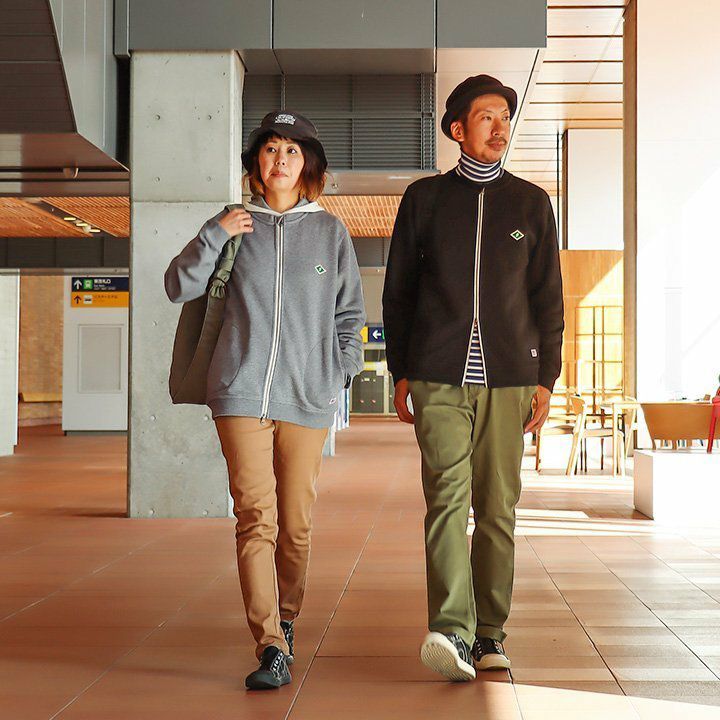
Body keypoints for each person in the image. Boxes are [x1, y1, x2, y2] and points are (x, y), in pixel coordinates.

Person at [164, 111, 365, 690]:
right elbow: (178, 286)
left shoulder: (331, 233)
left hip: (308, 395)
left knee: (295, 525)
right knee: (256, 519)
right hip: (240, 392)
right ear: (256, 161)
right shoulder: (232, 226)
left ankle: (289, 616)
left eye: (292, 151)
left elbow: (349, 314)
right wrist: (216, 232)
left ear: (308, 165)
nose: (281, 159)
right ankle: (270, 643)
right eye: (271, 149)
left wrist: (340, 371)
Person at [383, 75, 564, 681]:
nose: (500, 126)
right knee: (445, 501)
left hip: (511, 379)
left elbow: (548, 298)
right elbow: (399, 292)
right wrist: (402, 370)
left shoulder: (532, 203)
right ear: (458, 129)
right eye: (487, 116)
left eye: (505, 116)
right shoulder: (424, 199)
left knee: (498, 509)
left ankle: (490, 634)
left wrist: (547, 376)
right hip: (437, 375)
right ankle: (452, 633)